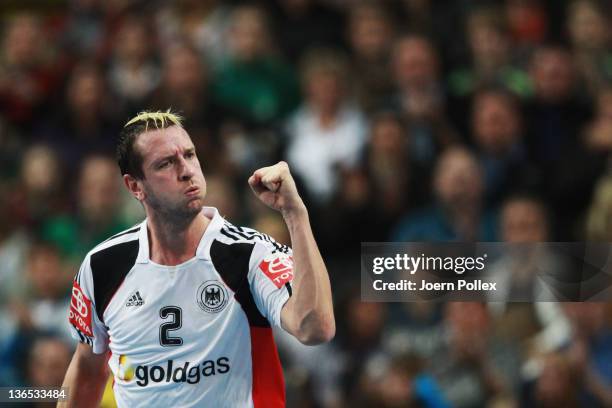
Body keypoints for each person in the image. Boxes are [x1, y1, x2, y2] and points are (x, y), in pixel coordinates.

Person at [58, 110, 335, 407]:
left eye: (189, 155)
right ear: (135, 186)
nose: (187, 170)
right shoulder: (101, 267)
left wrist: (295, 214)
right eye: (166, 163)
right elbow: (87, 371)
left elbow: (315, 328)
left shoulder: (248, 253)